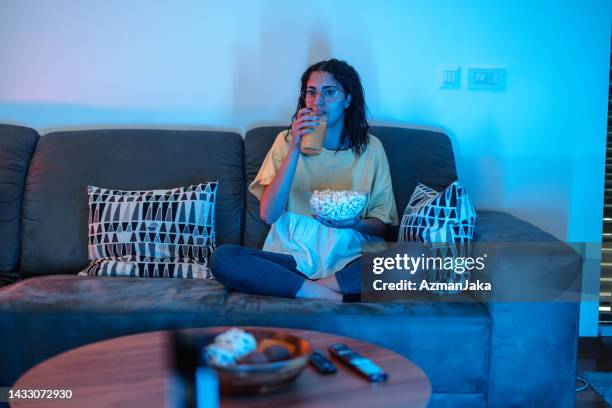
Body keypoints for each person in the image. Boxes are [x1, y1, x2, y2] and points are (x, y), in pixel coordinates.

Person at [211, 58, 400, 301]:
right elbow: (268, 215)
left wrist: (354, 224)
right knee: (224, 258)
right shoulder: (286, 141)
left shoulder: (372, 148)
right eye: (311, 92)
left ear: (348, 99)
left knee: (418, 259)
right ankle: (332, 294)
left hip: (350, 253)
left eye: (329, 92)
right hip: (293, 255)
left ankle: (311, 288)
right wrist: (296, 148)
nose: (317, 102)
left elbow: (383, 224)